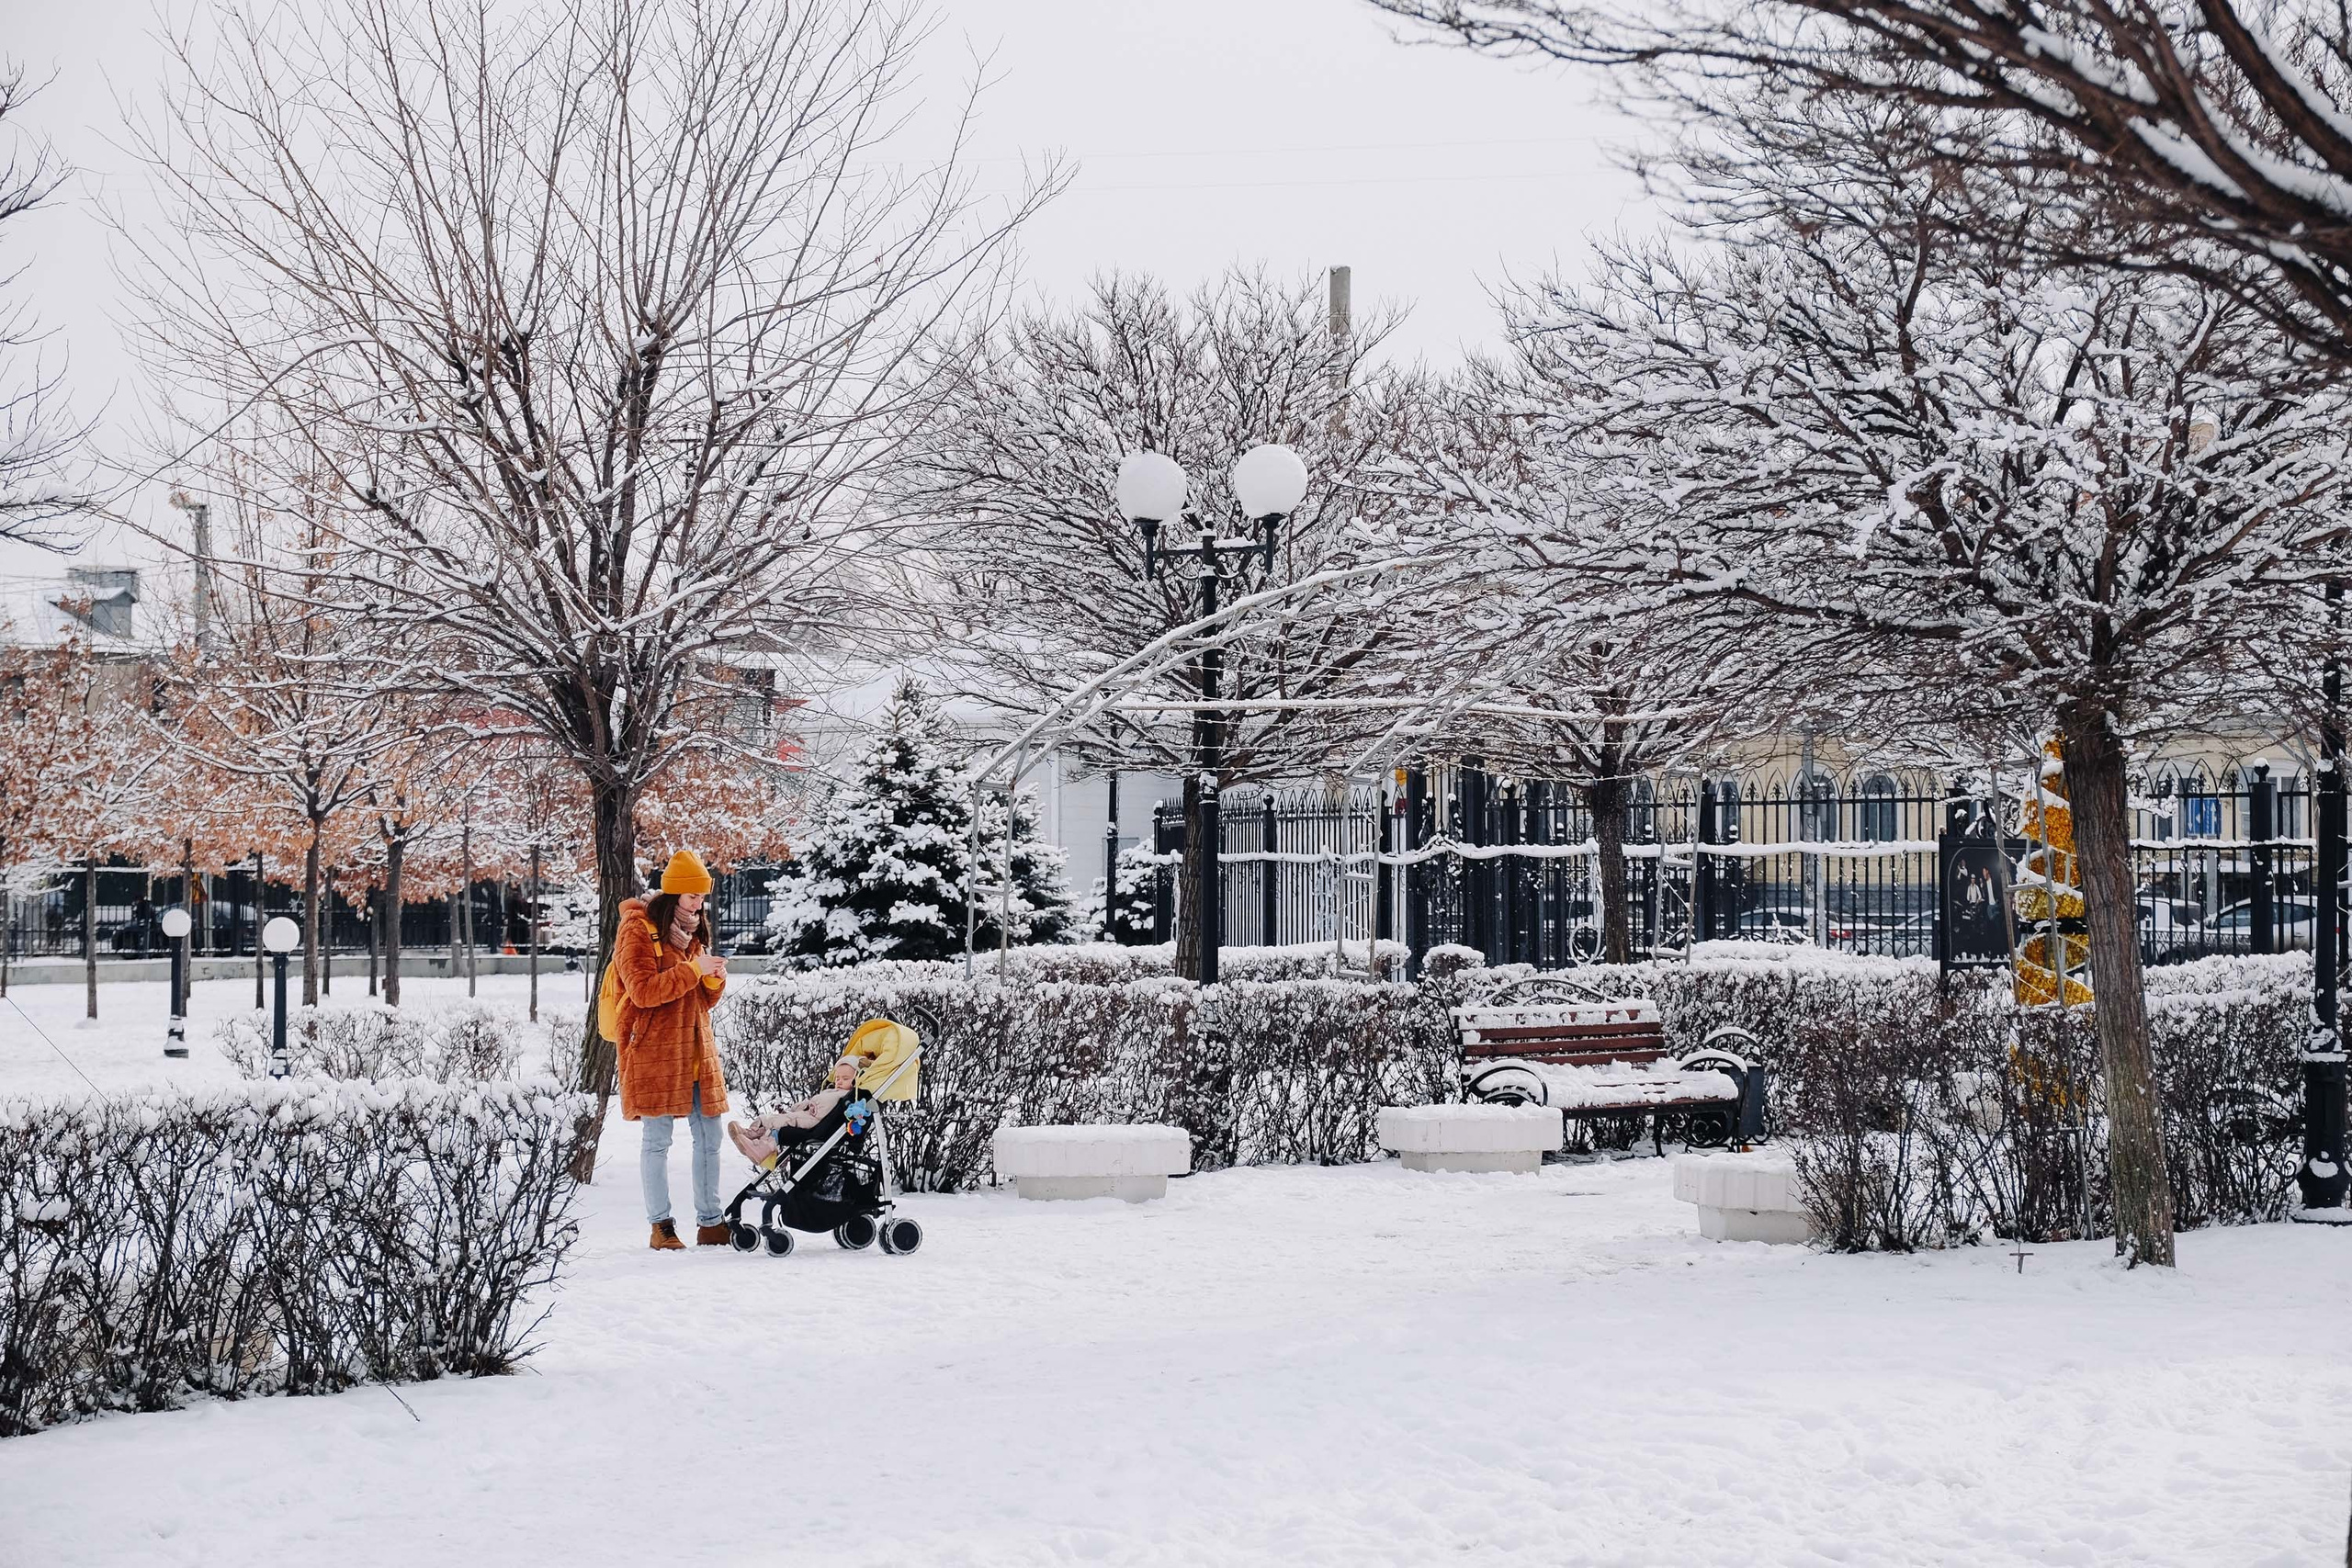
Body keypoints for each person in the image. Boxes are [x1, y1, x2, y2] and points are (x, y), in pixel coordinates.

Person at [613, 850, 730, 1249]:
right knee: (658, 1140)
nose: (699, 903)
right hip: (656, 1053)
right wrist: (692, 971)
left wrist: (712, 982)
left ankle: (711, 1222)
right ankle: (661, 1226)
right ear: (675, 892)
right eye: (692, 895)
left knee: (710, 1137)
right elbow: (642, 992)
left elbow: (697, 999)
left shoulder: (695, 931)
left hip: (696, 1049)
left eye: (702, 896)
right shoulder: (638, 930)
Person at [726, 1056, 860, 1170]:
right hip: (811, 1116)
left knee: (783, 1123)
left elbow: (823, 1108)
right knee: (774, 1119)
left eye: (845, 1078)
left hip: (817, 1124)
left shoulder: (846, 1096)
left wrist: (810, 1107)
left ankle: (762, 1148)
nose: (839, 1081)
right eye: (837, 1078)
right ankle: (751, 1134)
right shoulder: (834, 1091)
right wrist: (804, 1106)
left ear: (855, 1081)